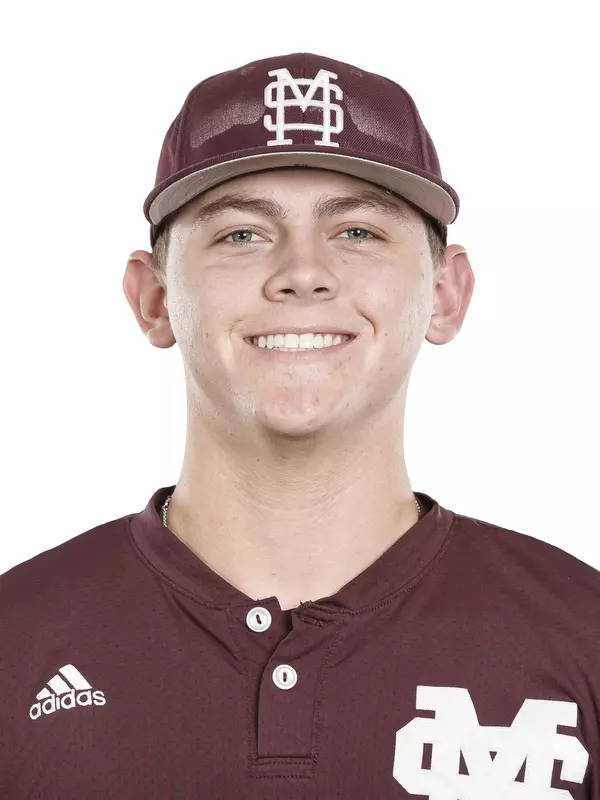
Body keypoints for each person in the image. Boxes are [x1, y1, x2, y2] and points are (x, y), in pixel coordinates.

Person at [1, 52, 598, 798]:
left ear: (445, 295)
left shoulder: (583, 635)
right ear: (152, 299)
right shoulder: (15, 641)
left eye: (357, 232)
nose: (302, 272)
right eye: (241, 235)